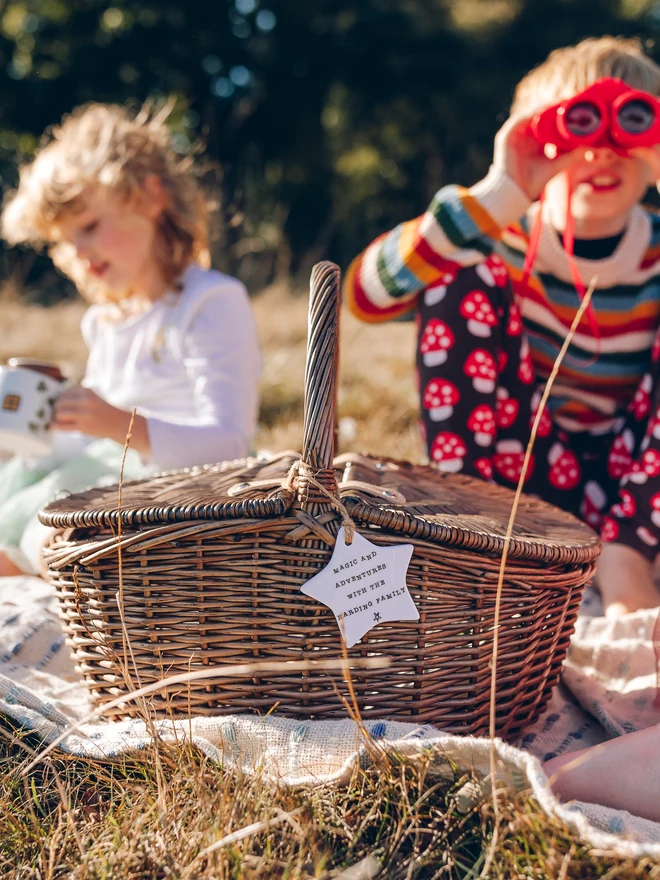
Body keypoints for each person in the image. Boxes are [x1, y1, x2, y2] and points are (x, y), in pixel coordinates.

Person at [344, 36, 660, 618]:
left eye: (631, 126)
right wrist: (501, 191)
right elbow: (364, 296)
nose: (602, 153)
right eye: (580, 129)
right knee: (461, 270)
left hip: (641, 493)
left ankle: (627, 564)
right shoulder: (493, 235)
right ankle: (476, 541)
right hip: (518, 485)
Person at [0, 102, 261, 576]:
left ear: (149, 197)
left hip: (176, 493)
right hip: (103, 473)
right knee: (17, 493)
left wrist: (121, 425)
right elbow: (86, 447)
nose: (78, 252)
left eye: (89, 227)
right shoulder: (105, 321)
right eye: (63, 241)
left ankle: (54, 581)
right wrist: (41, 433)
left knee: (52, 529)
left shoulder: (210, 301)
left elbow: (230, 442)